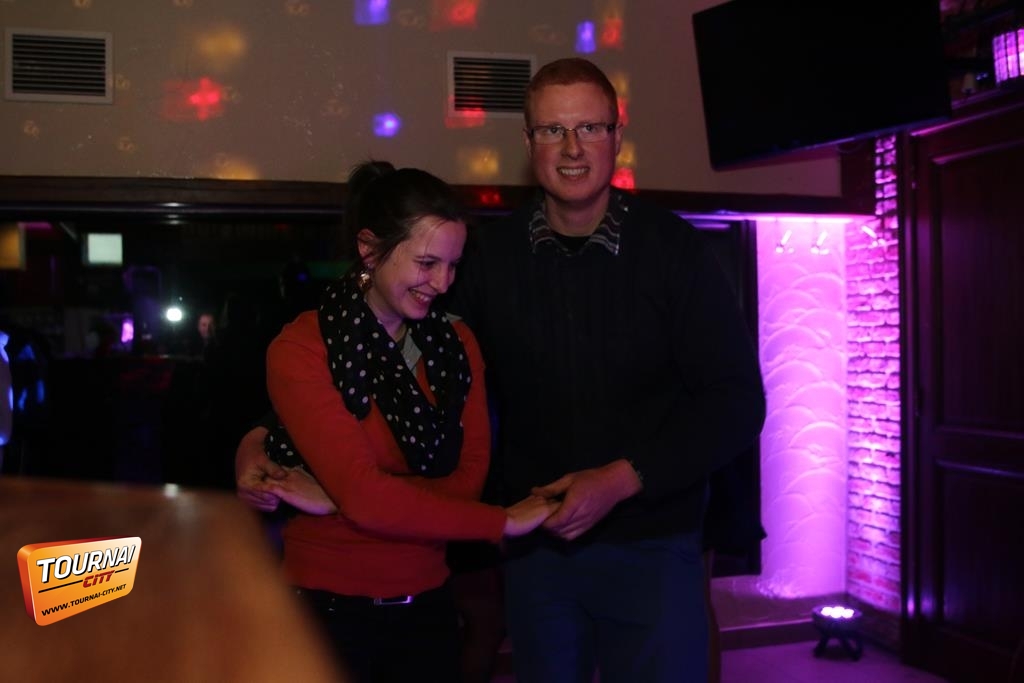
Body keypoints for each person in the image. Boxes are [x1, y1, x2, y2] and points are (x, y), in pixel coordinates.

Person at [239, 58, 765, 682]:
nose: (572, 148)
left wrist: (622, 479)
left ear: (616, 136)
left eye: (590, 128)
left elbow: (737, 403)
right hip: (536, 549)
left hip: (651, 540)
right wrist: (268, 433)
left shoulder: (675, 252)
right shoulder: (486, 257)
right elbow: (387, 353)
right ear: (528, 142)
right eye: (552, 130)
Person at [237, 160, 557, 683]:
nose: (443, 283)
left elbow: (466, 483)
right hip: (325, 613)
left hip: (429, 607)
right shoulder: (302, 348)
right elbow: (370, 499)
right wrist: (499, 521)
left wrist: (336, 498)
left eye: (453, 266)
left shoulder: (456, 345)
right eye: (427, 263)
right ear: (369, 249)